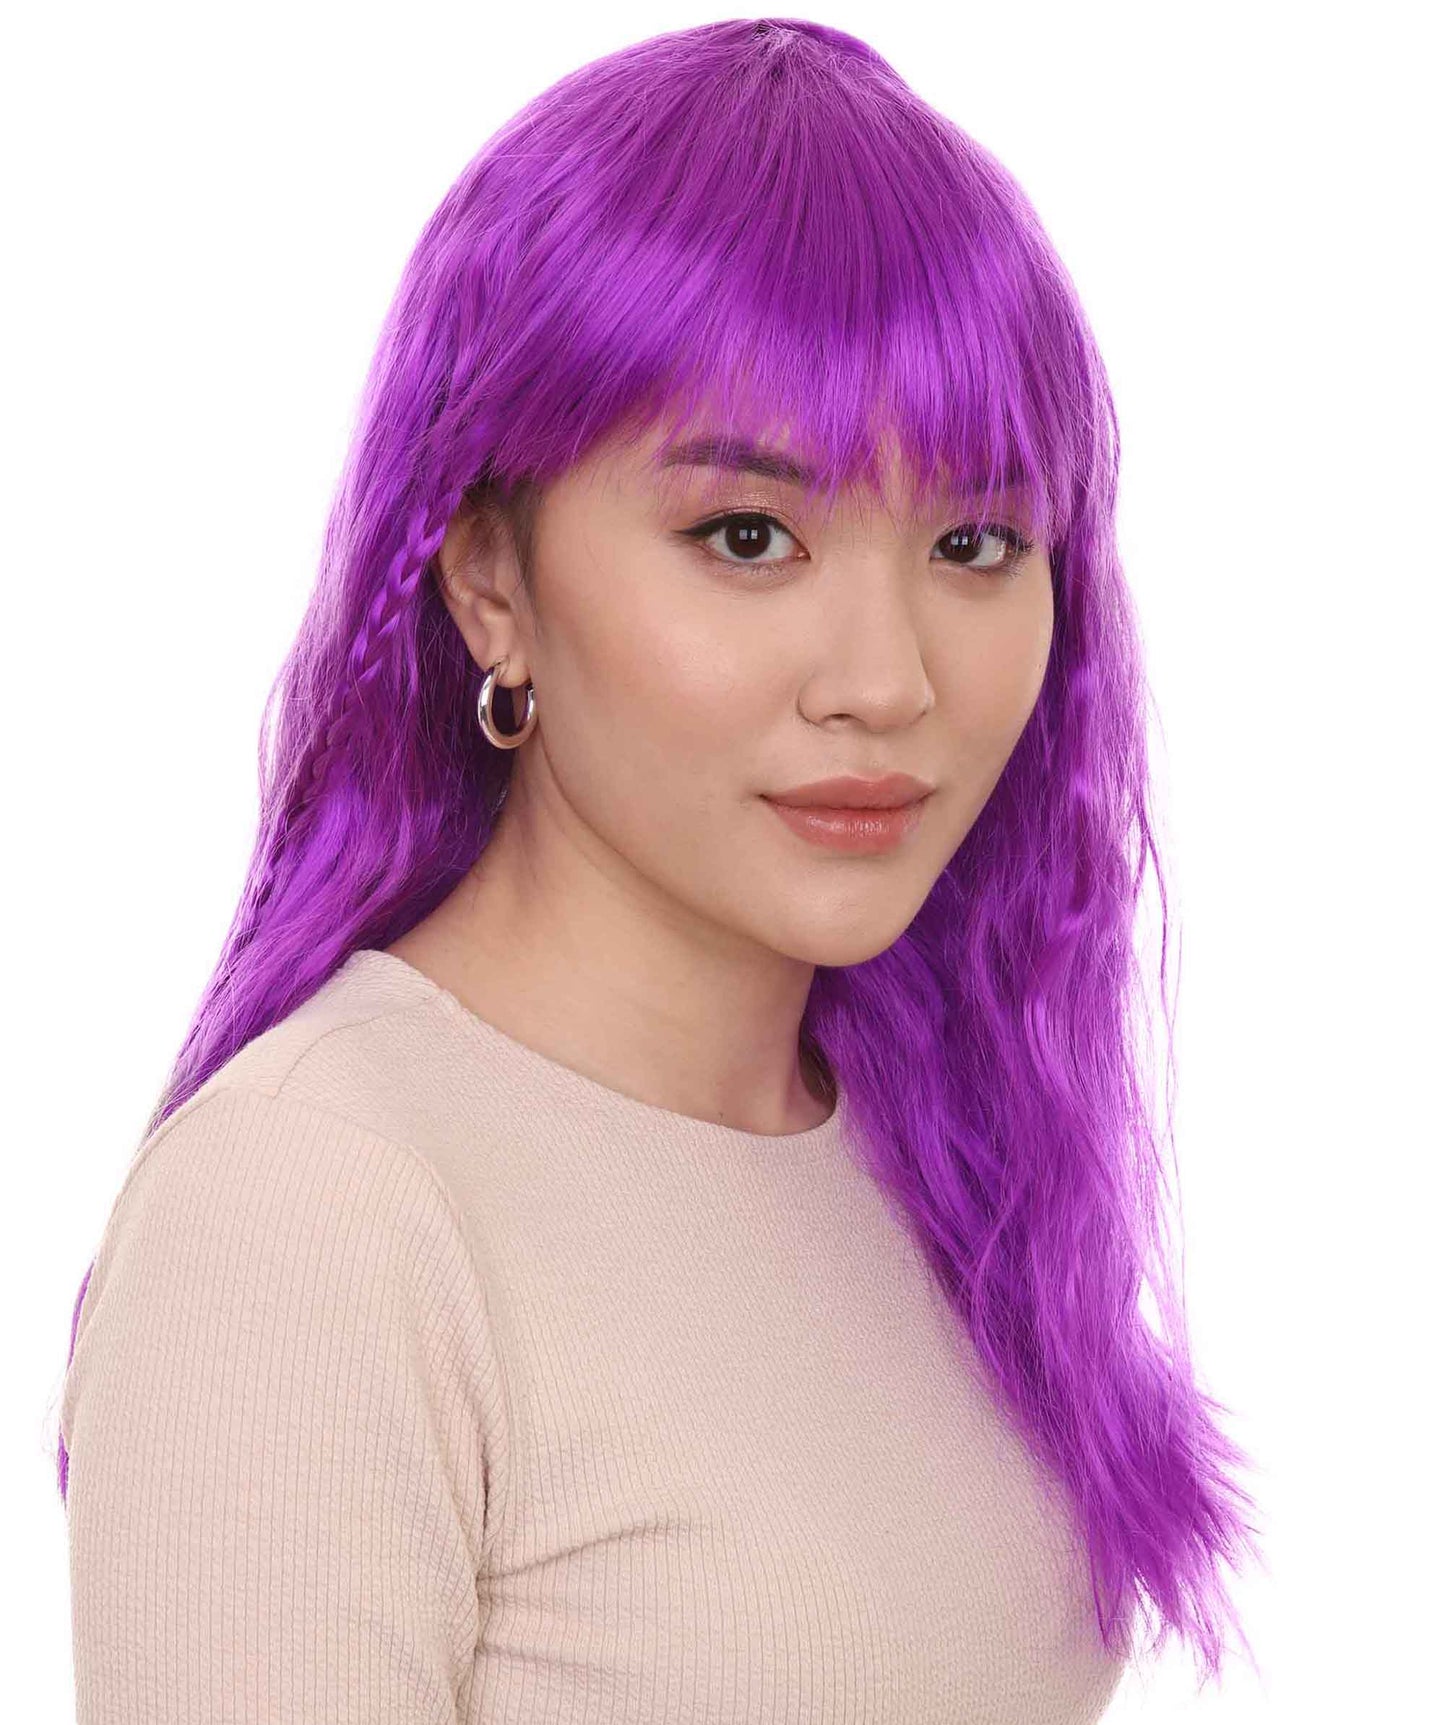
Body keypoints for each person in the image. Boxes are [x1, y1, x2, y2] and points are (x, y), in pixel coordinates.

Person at [54, 17, 1262, 1722]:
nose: (886, 679)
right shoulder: (319, 1206)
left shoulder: (931, 1147)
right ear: (489, 577)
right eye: (747, 536)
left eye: (975, 540)